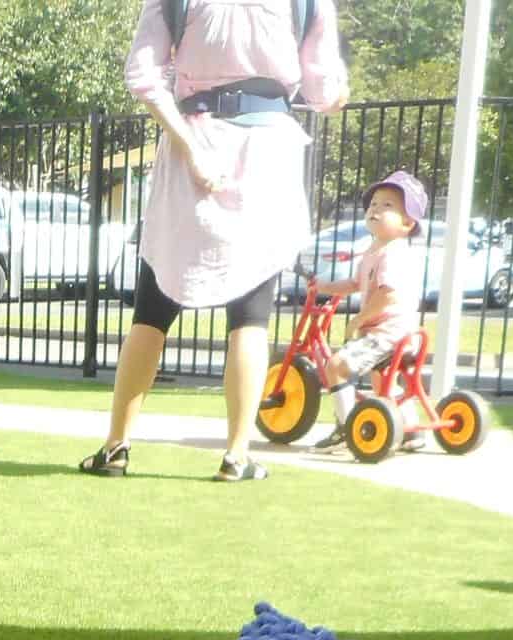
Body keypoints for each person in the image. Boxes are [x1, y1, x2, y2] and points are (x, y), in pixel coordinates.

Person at [78, 0, 346, 483]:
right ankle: (236, 456)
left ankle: (115, 447)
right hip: (267, 153)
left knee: (151, 312)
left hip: (191, 147)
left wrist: (190, 148)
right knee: (250, 318)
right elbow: (323, 89)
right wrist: (336, 93)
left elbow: (143, 75)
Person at [306, 170, 428, 450]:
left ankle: (347, 428)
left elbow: (387, 295)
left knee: (335, 366)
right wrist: (324, 286)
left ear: (408, 222)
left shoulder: (392, 253)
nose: (376, 209)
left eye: (388, 206)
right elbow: (354, 284)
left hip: (387, 333)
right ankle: (410, 430)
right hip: (397, 333)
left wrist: (360, 319)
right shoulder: (375, 250)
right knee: (382, 381)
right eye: (374, 204)